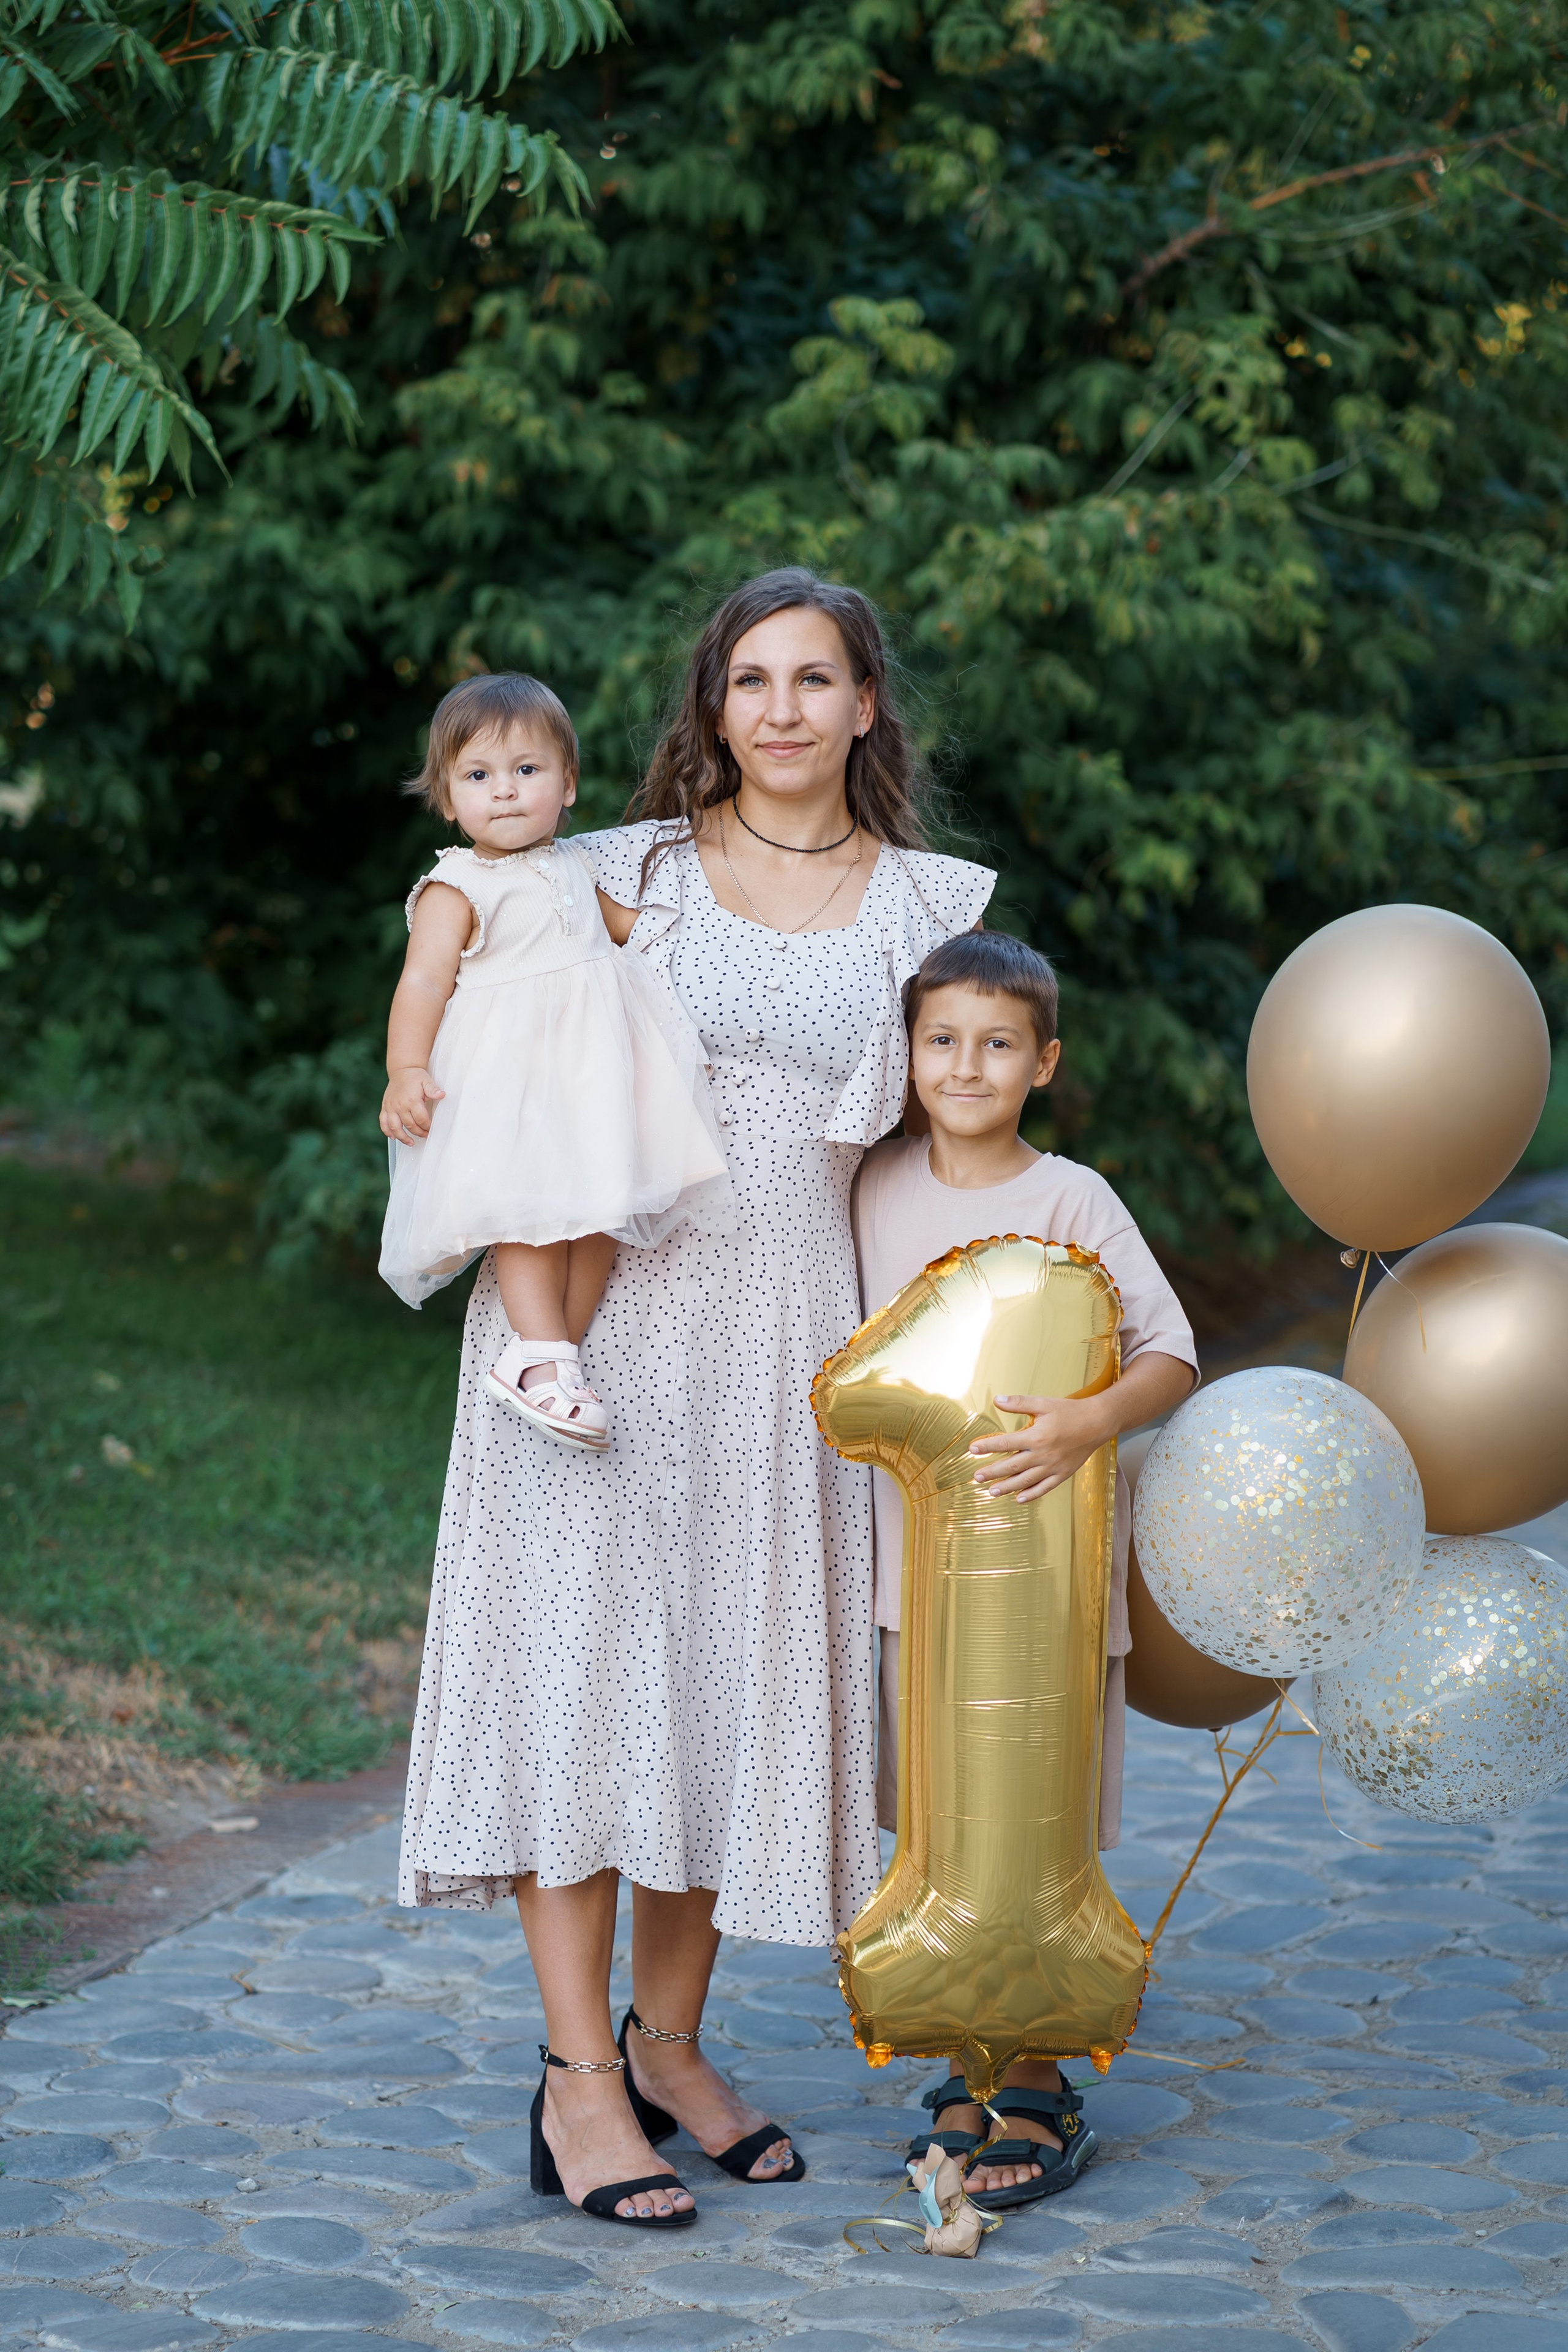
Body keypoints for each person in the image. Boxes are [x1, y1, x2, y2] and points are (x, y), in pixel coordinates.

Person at [397, 569, 993, 2227]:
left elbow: (962, 1128)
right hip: (594, 1319)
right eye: (753, 681)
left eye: (818, 679)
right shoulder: (616, 870)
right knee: (585, 1674)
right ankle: (579, 2078)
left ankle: (673, 2046)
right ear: (711, 709)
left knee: (724, 1684)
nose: (785, 709)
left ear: (869, 705)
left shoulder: (924, 904)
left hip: (788, 1324)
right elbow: (453, 943)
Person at [853, 929, 1199, 2210]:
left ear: (1041, 1061)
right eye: (940, 1040)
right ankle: (961, 2061)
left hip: (1050, 1607)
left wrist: (1085, 1421)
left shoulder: (1072, 1202)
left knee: (1038, 1840)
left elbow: (1168, 1354)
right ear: (906, 1054)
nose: (965, 1064)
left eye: (996, 1043)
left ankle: (1041, 2077)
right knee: (942, 1843)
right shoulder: (873, 1192)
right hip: (913, 1598)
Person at [377, 673, 729, 1448]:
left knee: (606, 1205)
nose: (503, 792)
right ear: (446, 799)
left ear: (567, 784)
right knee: (532, 1218)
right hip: (518, 1082)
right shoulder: (456, 885)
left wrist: (718, 934)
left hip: (596, 1078)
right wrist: (406, 1069)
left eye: (526, 771)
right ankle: (539, 1356)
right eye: (478, 777)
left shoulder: (574, 862)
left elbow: (631, 931)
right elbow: (424, 983)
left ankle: (549, 1357)